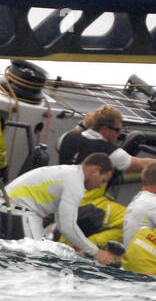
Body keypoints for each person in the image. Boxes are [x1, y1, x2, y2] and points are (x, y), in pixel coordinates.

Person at [56, 105, 148, 248]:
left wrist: (84, 124)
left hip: (60, 200)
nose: (119, 134)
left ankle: (71, 243)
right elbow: (141, 164)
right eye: (117, 130)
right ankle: (86, 246)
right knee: (135, 221)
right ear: (104, 129)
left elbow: (64, 140)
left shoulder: (66, 138)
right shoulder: (111, 152)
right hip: (86, 205)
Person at [3, 153, 118, 265]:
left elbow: (60, 221)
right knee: (34, 261)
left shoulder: (69, 173)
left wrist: (79, 244)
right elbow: (67, 226)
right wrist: (96, 252)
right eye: (103, 181)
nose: (100, 186)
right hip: (21, 210)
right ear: (96, 170)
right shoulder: (75, 183)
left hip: (8, 206)